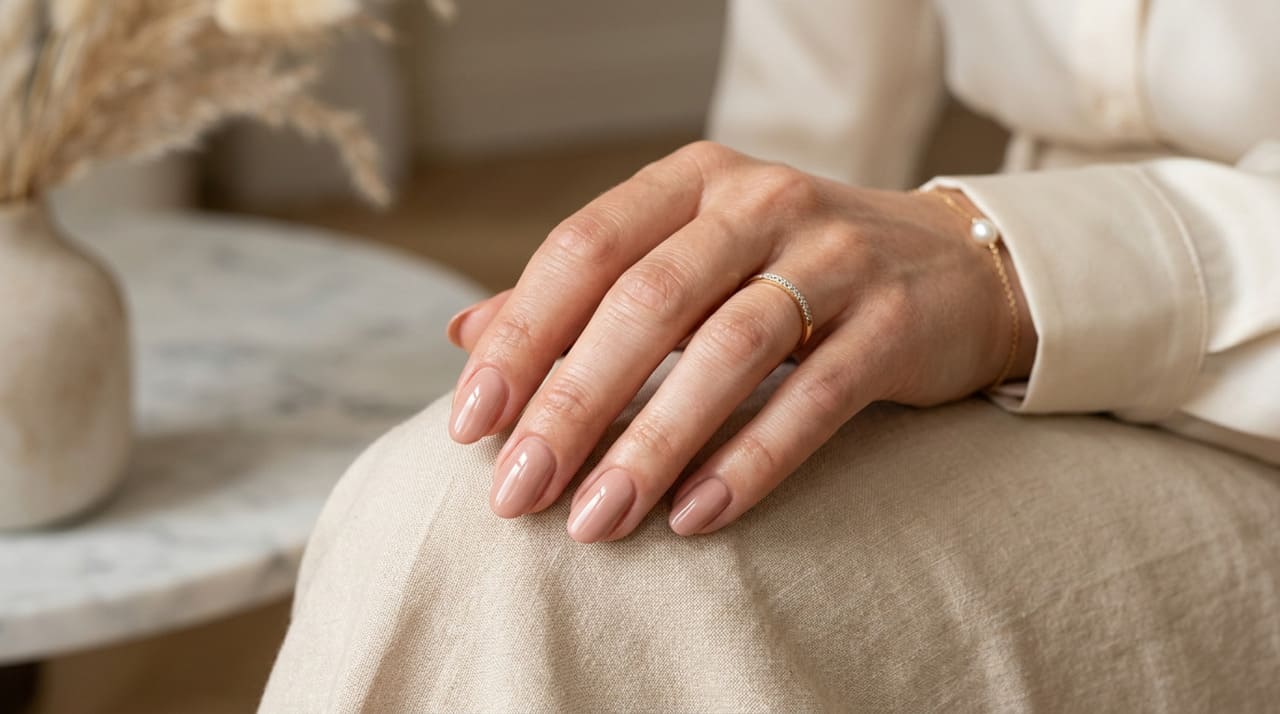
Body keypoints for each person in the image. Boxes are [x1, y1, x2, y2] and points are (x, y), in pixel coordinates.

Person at [261, 1, 1280, 710]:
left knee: (554, 570)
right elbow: (808, 107)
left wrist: (1017, 273)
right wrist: (728, 296)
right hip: (1027, 329)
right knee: (480, 506)